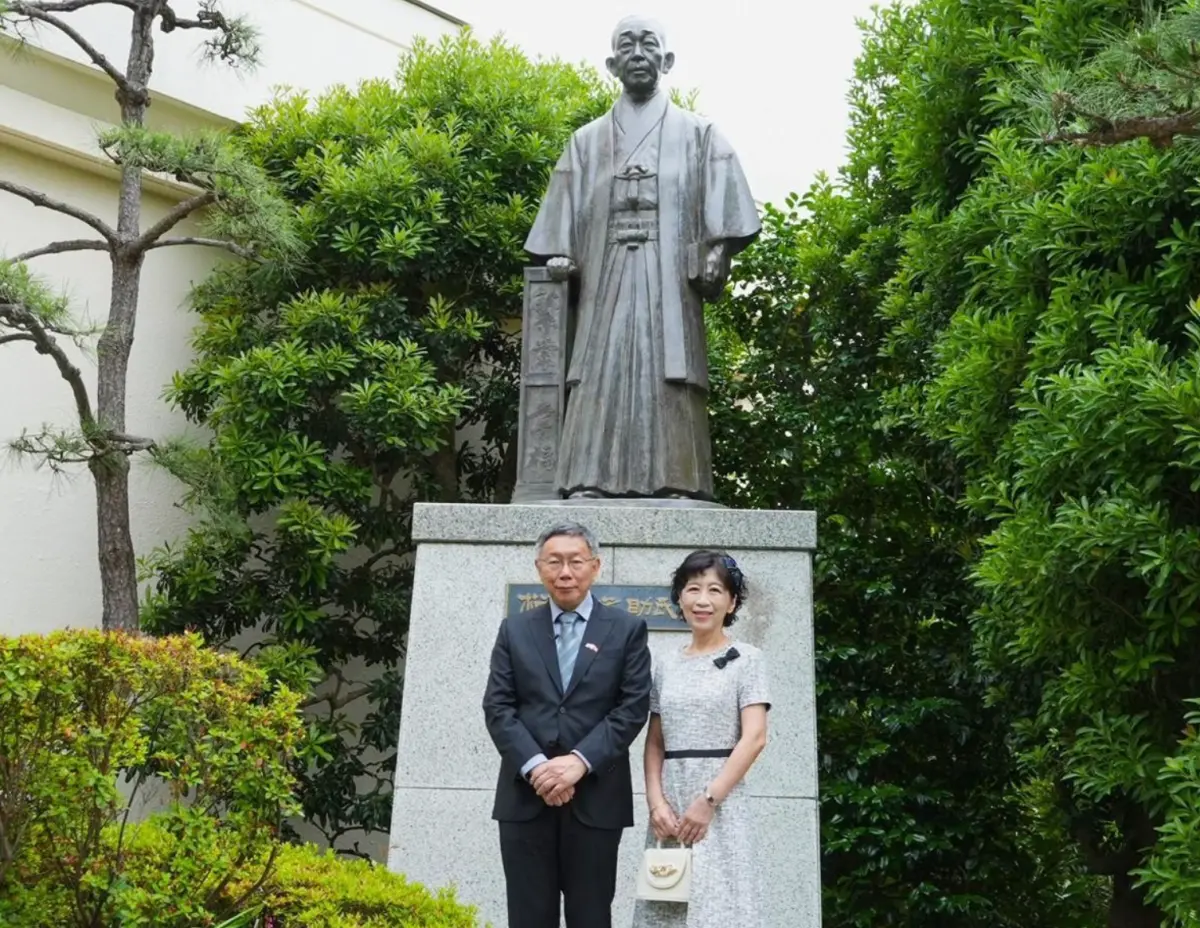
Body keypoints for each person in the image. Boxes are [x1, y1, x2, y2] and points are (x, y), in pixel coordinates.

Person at [525, 15, 760, 501]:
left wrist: (719, 248)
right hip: (605, 271)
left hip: (669, 276)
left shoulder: (700, 134)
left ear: (666, 60)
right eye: (625, 45)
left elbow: (730, 209)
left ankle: (679, 482)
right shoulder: (586, 141)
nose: (637, 52)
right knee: (598, 370)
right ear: (612, 64)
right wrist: (562, 257)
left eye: (648, 44)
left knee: (669, 373)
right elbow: (561, 222)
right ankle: (589, 480)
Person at [483, 521, 653, 928]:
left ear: (595, 566)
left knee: (591, 916)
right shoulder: (516, 629)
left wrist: (579, 761)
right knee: (528, 917)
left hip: (596, 798)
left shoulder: (626, 629)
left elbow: (631, 708)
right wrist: (537, 766)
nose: (565, 572)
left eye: (575, 561)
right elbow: (498, 707)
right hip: (526, 798)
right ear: (539, 568)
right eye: (554, 562)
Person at [633, 550, 770, 928]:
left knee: (722, 908)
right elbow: (655, 741)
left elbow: (755, 737)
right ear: (680, 598)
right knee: (666, 907)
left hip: (720, 801)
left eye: (714, 590)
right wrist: (656, 801)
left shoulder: (747, 658)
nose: (702, 600)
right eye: (692, 589)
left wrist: (709, 800)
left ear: (732, 602)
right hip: (671, 805)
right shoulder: (665, 663)